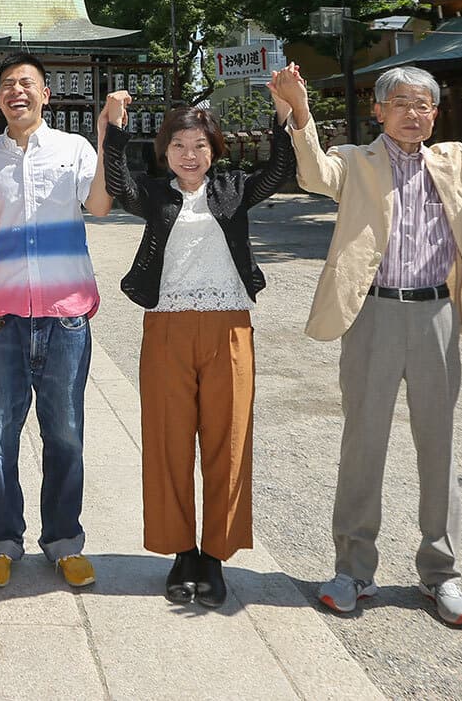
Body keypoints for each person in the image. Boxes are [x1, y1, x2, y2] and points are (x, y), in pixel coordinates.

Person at [288, 25, 462, 628]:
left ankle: (441, 573)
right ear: (378, 110)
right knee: (363, 442)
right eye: (401, 103)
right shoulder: (354, 162)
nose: (413, 114)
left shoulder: (461, 162)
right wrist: (301, 113)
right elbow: (312, 174)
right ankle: (352, 570)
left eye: (423, 105)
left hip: (437, 312)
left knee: (438, 443)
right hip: (372, 313)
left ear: (435, 115)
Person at [99, 81, 298, 606]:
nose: (189, 155)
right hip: (167, 327)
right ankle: (181, 550)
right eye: (179, 146)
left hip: (229, 326)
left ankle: (215, 554)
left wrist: (283, 112)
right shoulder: (155, 193)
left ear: (215, 150)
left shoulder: (234, 188)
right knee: (167, 440)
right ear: (164, 152)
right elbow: (117, 184)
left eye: (200, 146)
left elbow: (280, 170)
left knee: (227, 441)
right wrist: (114, 126)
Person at [0, 51, 112, 589]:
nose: (15, 91)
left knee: (65, 434)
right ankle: (1, 540)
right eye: (6, 84)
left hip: (65, 315)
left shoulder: (74, 149)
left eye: (26, 83)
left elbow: (100, 205)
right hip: (3, 318)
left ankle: (64, 541)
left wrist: (106, 135)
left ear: (45, 94)